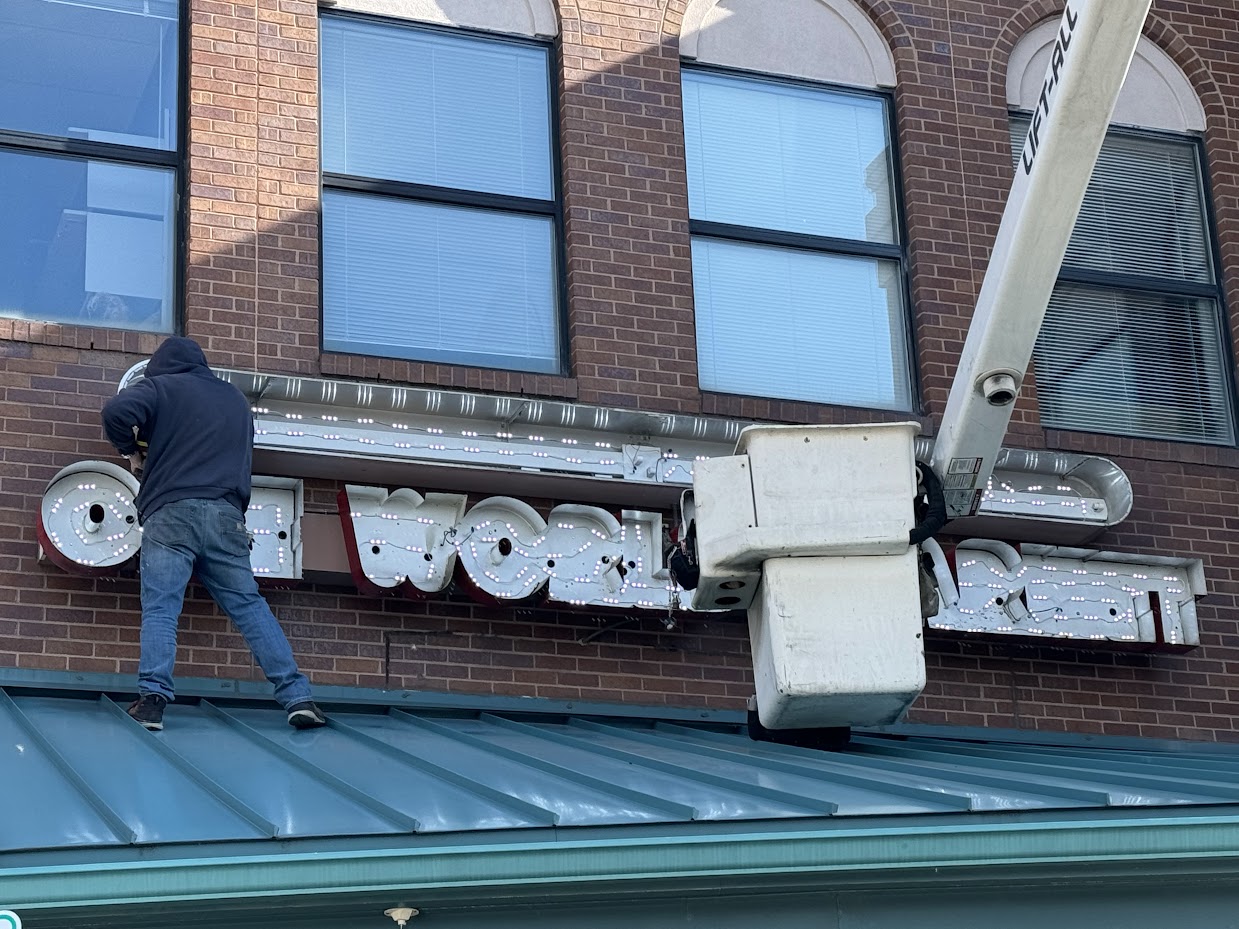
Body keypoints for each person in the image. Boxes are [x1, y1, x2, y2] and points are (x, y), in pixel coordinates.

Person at [102, 336, 327, 731]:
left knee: (162, 609)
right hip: (226, 516)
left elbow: (116, 411)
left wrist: (133, 452)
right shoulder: (235, 400)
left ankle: (152, 701)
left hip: (170, 512)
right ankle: (298, 697)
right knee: (250, 608)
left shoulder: (159, 387)